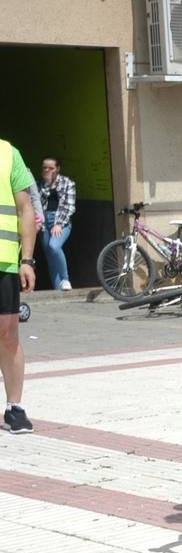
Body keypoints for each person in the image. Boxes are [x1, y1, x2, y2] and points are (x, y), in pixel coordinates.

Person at [0, 137, 37, 434]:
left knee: (8, 334)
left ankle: (15, 409)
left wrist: (27, 260)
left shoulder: (9, 153)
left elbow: (25, 209)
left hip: (5, 262)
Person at [36, 157, 75, 291]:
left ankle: (65, 279)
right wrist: (47, 183)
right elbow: (37, 203)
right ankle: (57, 290)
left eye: (51, 168)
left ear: (57, 169)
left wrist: (58, 224)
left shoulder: (67, 183)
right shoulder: (40, 184)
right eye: (44, 168)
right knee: (50, 257)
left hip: (61, 221)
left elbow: (69, 206)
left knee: (54, 246)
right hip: (44, 222)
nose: (47, 170)